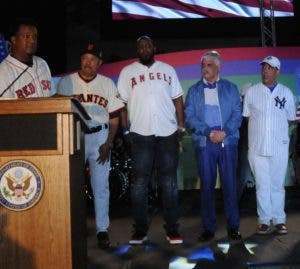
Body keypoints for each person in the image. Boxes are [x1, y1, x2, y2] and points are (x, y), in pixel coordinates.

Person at [117, 35, 185, 245]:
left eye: (148, 45)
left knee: (170, 184)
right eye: (140, 46)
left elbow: (177, 98)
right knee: (139, 185)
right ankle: (140, 230)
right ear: (137, 50)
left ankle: (172, 229)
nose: (145, 48)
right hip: (141, 134)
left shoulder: (167, 69)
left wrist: (181, 125)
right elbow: (121, 104)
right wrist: (125, 131)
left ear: (154, 47)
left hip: (167, 134)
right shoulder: (127, 72)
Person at [57, 43, 124, 248]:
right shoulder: (66, 82)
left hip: (100, 137)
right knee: (72, 185)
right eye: (85, 58)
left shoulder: (107, 84)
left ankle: (102, 230)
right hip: (74, 136)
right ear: (80, 61)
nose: (88, 63)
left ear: (99, 63)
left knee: (100, 186)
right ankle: (72, 228)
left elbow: (114, 118)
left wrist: (109, 142)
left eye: (92, 59)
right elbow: (58, 111)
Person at [185, 50, 242, 242]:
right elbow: (190, 117)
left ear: (218, 67)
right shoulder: (193, 91)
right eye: (202, 65)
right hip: (205, 141)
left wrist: (224, 132)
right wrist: (208, 132)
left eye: (209, 64)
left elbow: (237, 113)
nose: (204, 68)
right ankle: (208, 228)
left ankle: (233, 227)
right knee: (207, 186)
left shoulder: (231, 88)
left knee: (230, 185)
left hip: (227, 140)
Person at [243, 56, 296, 235]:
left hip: (279, 147)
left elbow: (289, 119)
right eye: (264, 67)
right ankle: (264, 220)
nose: (265, 70)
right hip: (257, 148)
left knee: (277, 185)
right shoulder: (252, 92)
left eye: (270, 68)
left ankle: (279, 220)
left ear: (277, 71)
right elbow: (248, 117)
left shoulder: (286, 93)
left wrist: (274, 132)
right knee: (261, 185)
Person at [0, 18, 53, 98]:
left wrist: (71, 100)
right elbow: (4, 108)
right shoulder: (3, 72)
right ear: (14, 40)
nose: (32, 41)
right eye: (27, 36)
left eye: (35, 36)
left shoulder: (43, 63)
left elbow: (52, 96)